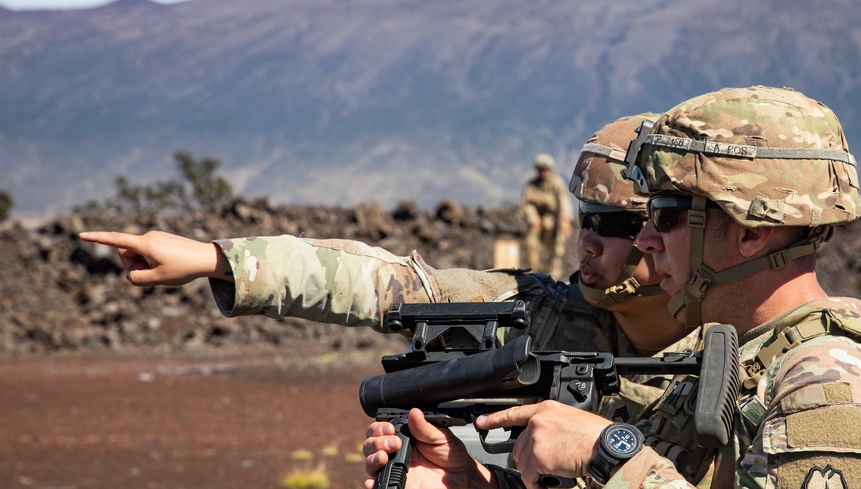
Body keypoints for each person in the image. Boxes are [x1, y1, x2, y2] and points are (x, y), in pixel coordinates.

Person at [362, 86, 861, 489]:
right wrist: (473, 487)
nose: (648, 241)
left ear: (752, 232)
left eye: (664, 215)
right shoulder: (740, 362)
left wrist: (606, 449)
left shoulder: (834, 388)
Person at [80, 114, 700, 426]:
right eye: (585, 220)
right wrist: (216, 259)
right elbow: (386, 284)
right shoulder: (539, 316)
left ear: (670, 228)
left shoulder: (746, 348)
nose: (588, 242)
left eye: (615, 226)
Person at [520, 153, 574, 281]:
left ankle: (553, 278)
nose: (543, 172)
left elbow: (564, 202)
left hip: (553, 222)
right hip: (536, 222)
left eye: (546, 169)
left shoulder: (557, 184)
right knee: (531, 245)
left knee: (556, 250)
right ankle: (531, 277)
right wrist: (533, 219)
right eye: (541, 169)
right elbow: (527, 204)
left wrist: (564, 220)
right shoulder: (532, 185)